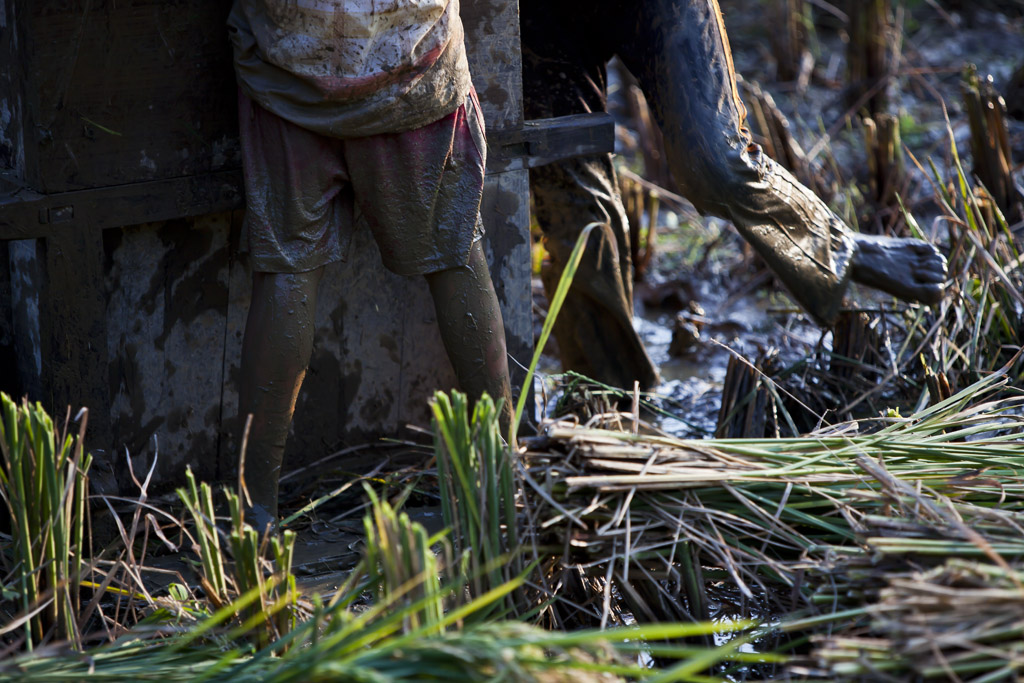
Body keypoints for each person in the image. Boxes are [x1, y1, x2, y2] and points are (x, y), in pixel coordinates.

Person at [521, 0, 947, 391]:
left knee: (713, 163)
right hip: (534, 19)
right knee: (569, 204)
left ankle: (839, 246)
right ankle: (613, 397)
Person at [227, 0, 513, 530]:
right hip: (413, 62)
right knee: (454, 252)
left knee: (287, 271)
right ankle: (504, 479)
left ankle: (255, 514)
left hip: (288, 72)